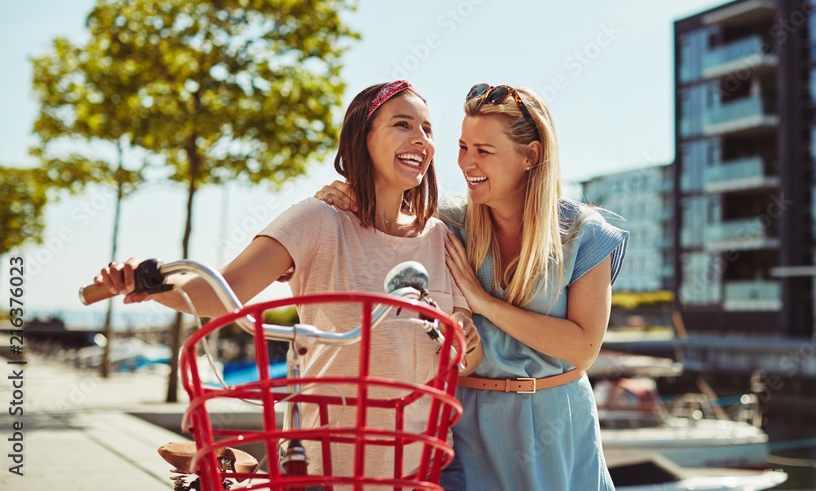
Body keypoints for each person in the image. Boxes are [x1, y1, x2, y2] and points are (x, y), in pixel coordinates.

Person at [92, 81, 482, 487]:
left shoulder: (441, 238)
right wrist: (151, 282)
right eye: (403, 124)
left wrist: (466, 341)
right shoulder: (319, 219)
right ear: (360, 139)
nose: (421, 139)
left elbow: (466, 359)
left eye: (428, 129)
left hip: (425, 466)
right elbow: (224, 289)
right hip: (323, 464)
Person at [315, 83, 628, 489]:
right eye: (463, 147)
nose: (467, 163)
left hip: (559, 424)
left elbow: (582, 348)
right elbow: (376, 215)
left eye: (484, 151)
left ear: (530, 155)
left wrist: (483, 302)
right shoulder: (446, 223)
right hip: (466, 423)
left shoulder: (585, 235)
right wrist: (337, 198)